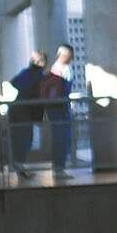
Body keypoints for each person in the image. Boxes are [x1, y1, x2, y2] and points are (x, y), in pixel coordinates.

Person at [8, 50, 47, 178]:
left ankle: (18, 165)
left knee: (18, 139)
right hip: (25, 111)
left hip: (16, 108)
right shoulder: (40, 76)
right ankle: (19, 165)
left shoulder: (26, 72)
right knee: (25, 138)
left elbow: (14, 82)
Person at [43, 44, 75, 180]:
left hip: (52, 108)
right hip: (61, 108)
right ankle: (59, 168)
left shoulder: (53, 68)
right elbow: (66, 90)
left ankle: (58, 167)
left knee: (58, 137)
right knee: (63, 137)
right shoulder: (65, 69)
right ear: (67, 55)